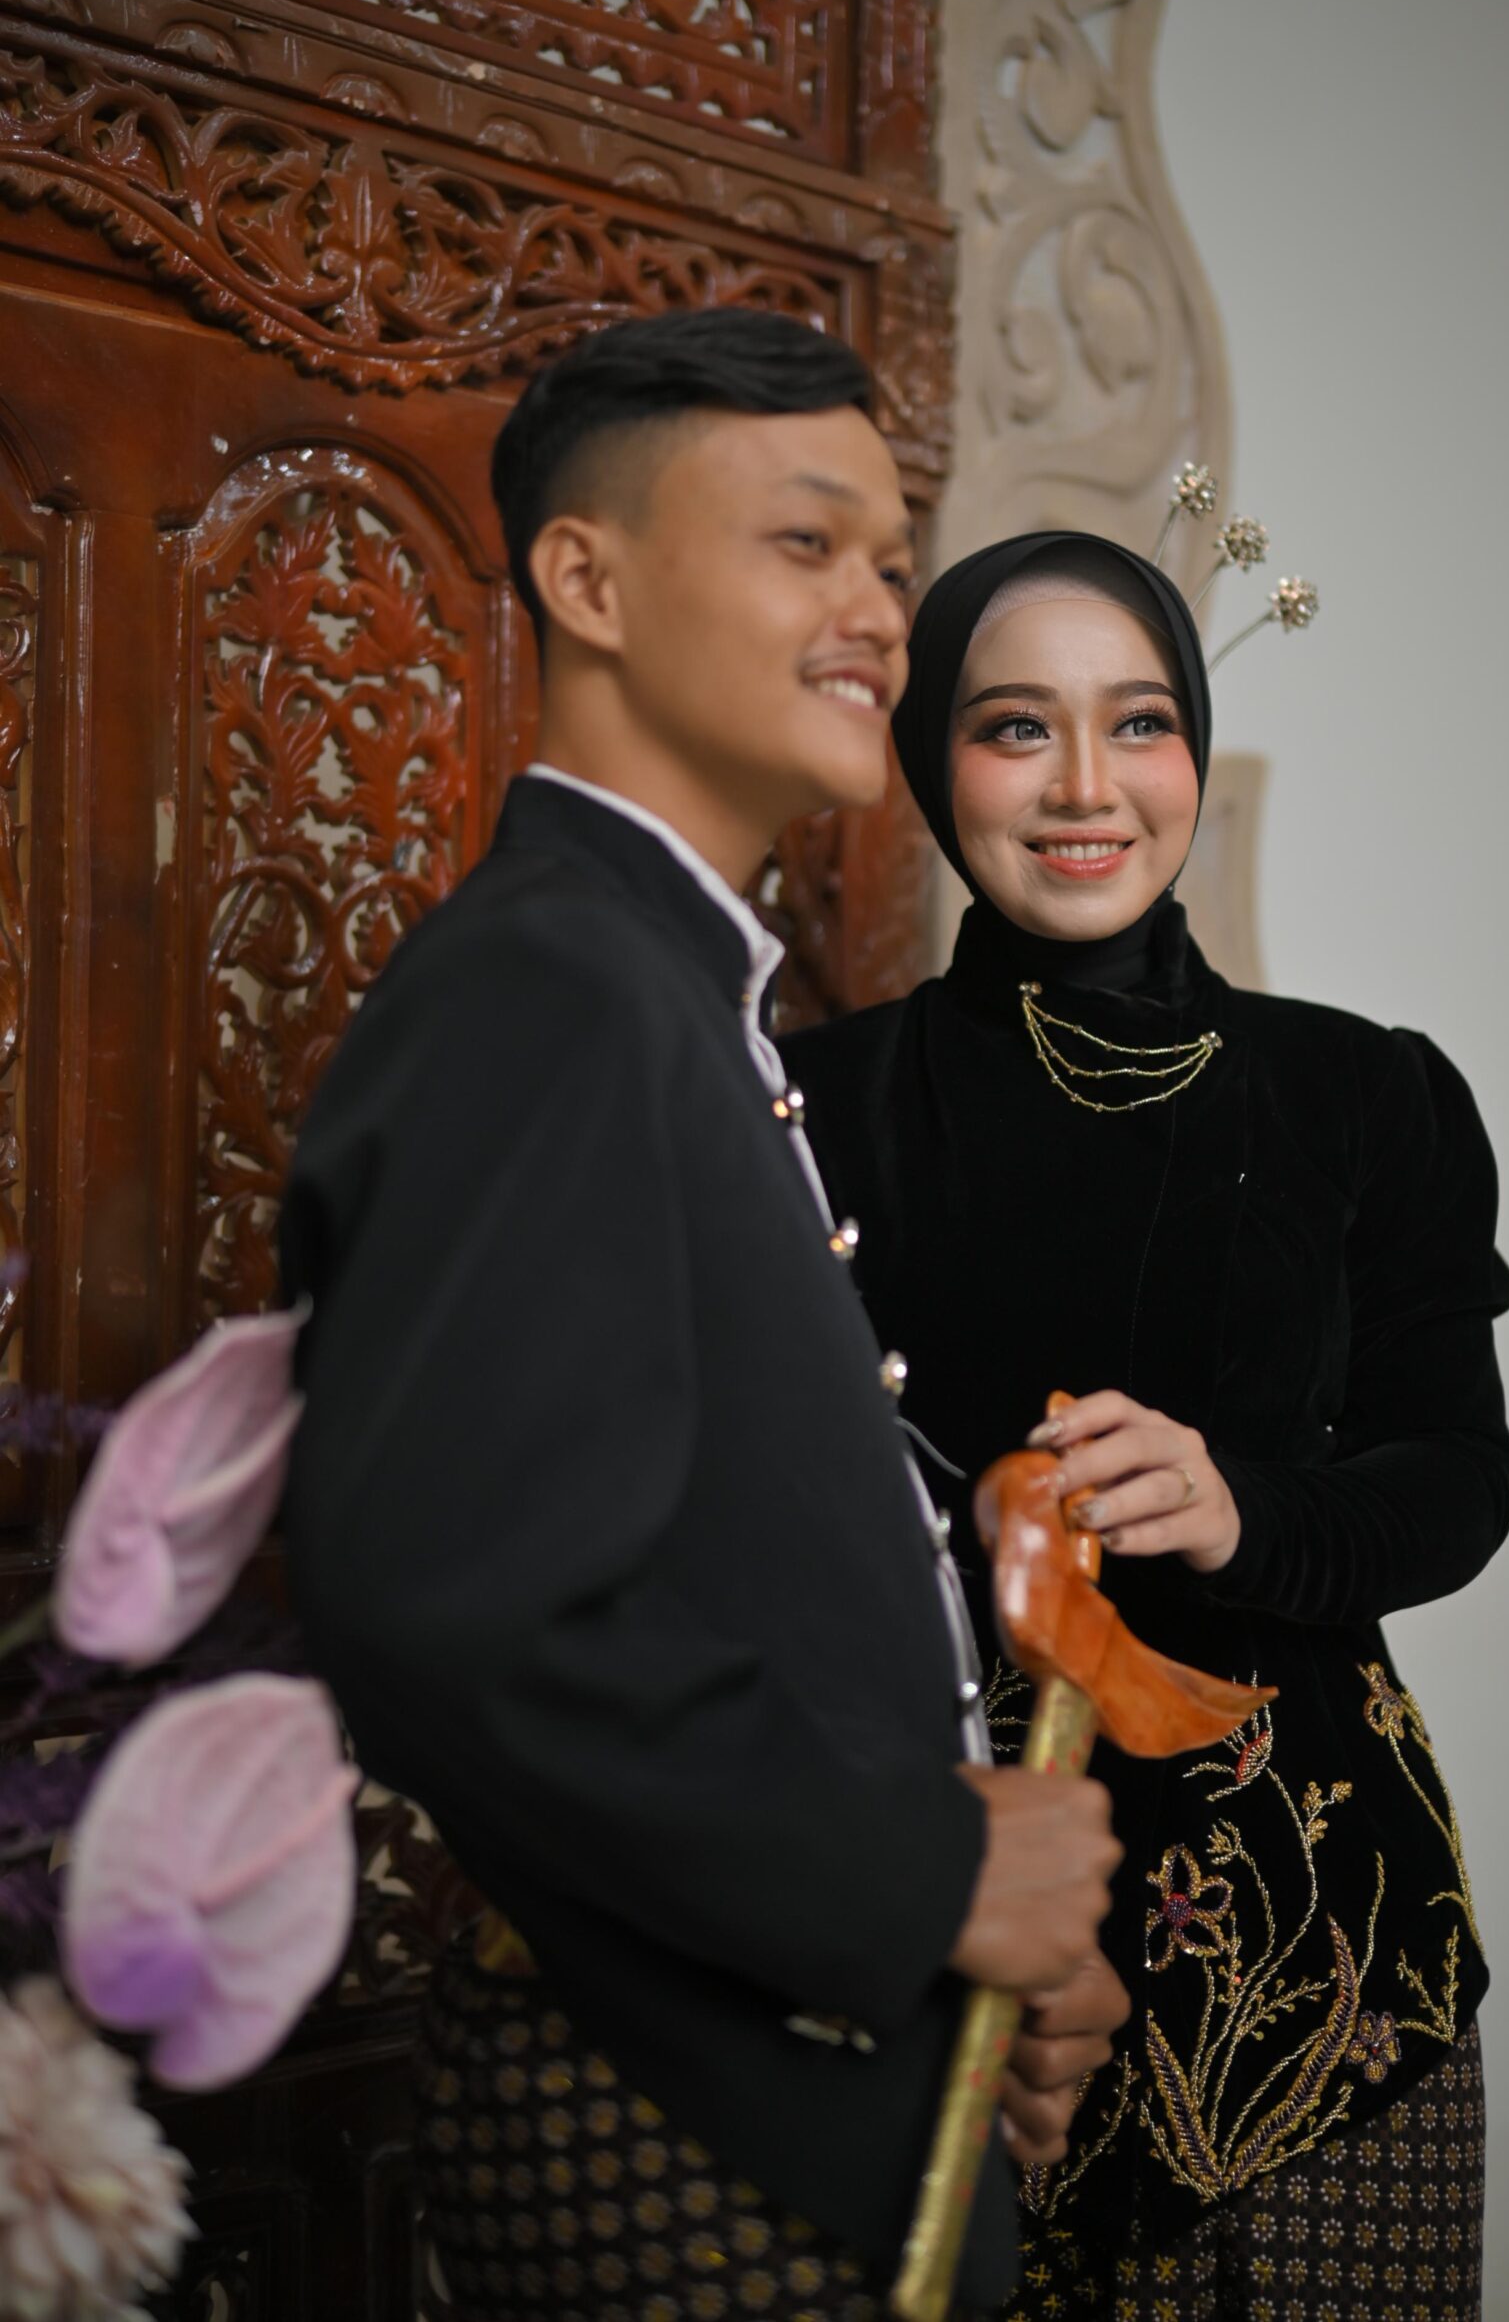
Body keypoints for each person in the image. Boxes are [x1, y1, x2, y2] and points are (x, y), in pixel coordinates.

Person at [278, 319, 1131, 2322]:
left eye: (893, 563)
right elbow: (450, 1602)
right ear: (586, 579)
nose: (879, 613)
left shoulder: (675, 987)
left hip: (803, 2070)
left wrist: (962, 1940)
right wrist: (923, 1877)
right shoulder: (556, 984)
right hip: (674, 2111)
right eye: (806, 544)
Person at [782, 534, 1509, 2321]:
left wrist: (1239, 1507)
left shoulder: (1367, 1090)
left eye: (1139, 723)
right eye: (1015, 728)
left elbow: (1456, 1485)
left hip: (1327, 1965)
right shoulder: (812, 1111)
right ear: (931, 764)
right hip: (949, 1951)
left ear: (1193, 744)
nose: (1086, 789)